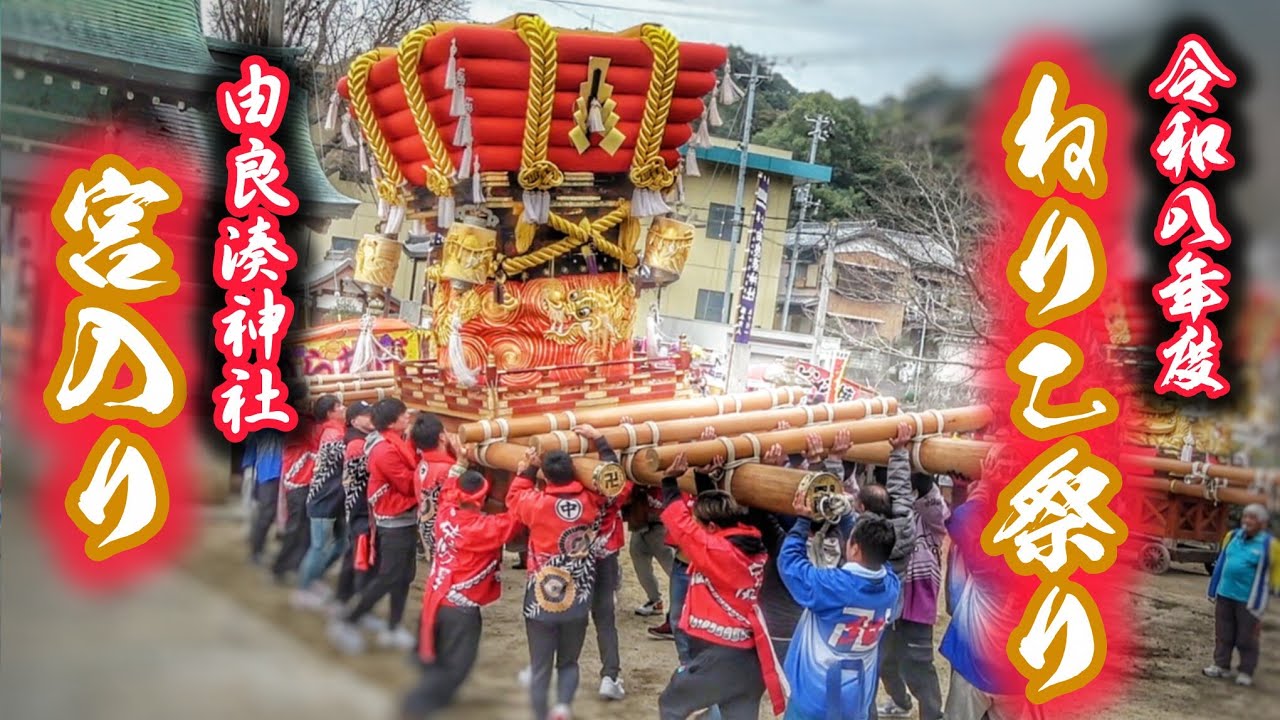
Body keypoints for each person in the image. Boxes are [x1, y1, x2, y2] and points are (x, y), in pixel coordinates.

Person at [656, 454, 787, 720]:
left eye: (701, 526)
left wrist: (669, 480)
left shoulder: (718, 552)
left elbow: (680, 524)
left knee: (671, 705)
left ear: (712, 528)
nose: (698, 530)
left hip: (720, 657)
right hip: (750, 661)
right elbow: (719, 514)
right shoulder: (751, 541)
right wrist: (705, 477)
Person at [506, 427, 616, 720]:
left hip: (540, 599)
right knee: (568, 663)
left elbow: (514, 495)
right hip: (578, 598)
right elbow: (614, 479)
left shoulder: (535, 504)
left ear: (547, 476)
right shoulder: (593, 501)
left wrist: (527, 468)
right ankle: (564, 708)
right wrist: (601, 442)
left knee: (540, 667)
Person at [402, 462, 523, 719]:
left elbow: (447, 488)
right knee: (457, 664)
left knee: (438, 655)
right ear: (482, 497)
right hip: (460, 609)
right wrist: (523, 475)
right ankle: (415, 705)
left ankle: (428, 695)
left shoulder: (445, 511)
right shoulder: (483, 528)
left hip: (436, 598)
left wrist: (461, 460)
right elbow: (516, 517)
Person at [779, 489, 901, 720]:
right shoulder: (892, 587)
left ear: (854, 548)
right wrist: (847, 519)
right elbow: (872, 556)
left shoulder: (832, 588)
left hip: (813, 699)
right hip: (855, 700)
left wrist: (802, 521)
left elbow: (790, 563)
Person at [940, 458, 1041, 720]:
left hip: (975, 667)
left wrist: (986, 484)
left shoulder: (991, 560)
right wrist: (965, 491)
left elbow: (963, 522)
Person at [329, 398, 419, 653]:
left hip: (405, 518)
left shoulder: (394, 441)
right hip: (393, 522)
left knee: (404, 576)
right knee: (389, 575)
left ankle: (393, 626)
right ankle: (349, 619)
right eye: (404, 415)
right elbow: (407, 483)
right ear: (392, 421)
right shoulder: (384, 449)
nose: (408, 418)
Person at [877, 462, 948, 717]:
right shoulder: (883, 515)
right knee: (885, 662)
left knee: (919, 664)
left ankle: (932, 714)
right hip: (888, 600)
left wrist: (925, 482)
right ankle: (900, 701)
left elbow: (935, 506)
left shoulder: (930, 519)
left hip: (919, 602)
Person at [1204, 503, 1279, 687]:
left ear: (1262, 523)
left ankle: (1246, 671)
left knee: (1247, 637)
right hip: (1225, 595)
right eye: (1245, 517)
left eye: (1252, 518)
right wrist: (1213, 589)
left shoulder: (1270, 545)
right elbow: (1221, 563)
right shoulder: (1232, 536)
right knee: (1223, 633)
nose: (1247, 521)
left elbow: (1277, 572)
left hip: (1249, 600)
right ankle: (1221, 665)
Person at [293, 394, 348, 608]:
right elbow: (349, 459)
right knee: (319, 546)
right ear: (329, 413)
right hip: (324, 499)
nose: (343, 409)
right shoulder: (333, 434)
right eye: (339, 406)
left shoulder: (332, 431)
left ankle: (314, 579)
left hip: (332, 499)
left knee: (338, 544)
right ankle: (303, 589)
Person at [334, 400, 376, 609]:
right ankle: (355, 604)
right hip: (360, 509)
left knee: (354, 555)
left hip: (358, 508)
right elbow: (369, 476)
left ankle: (343, 598)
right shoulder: (357, 445)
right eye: (366, 415)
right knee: (360, 557)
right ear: (354, 420)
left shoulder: (360, 439)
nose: (371, 417)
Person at [272, 398, 319, 583]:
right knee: (295, 529)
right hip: (298, 484)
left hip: (306, 484)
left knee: (305, 530)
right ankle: (280, 567)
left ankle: (295, 565)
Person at [410, 412, 454, 565]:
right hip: (446, 532)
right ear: (442, 437)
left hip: (427, 529)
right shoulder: (447, 469)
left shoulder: (422, 465)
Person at [628, 484, 674, 619]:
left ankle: (688, 605)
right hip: (641, 524)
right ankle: (655, 601)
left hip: (661, 526)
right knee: (641, 565)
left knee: (673, 569)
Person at [244, 429, 284, 564]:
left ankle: (257, 548)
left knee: (267, 513)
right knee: (266, 513)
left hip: (272, 472)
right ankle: (256, 551)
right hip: (269, 473)